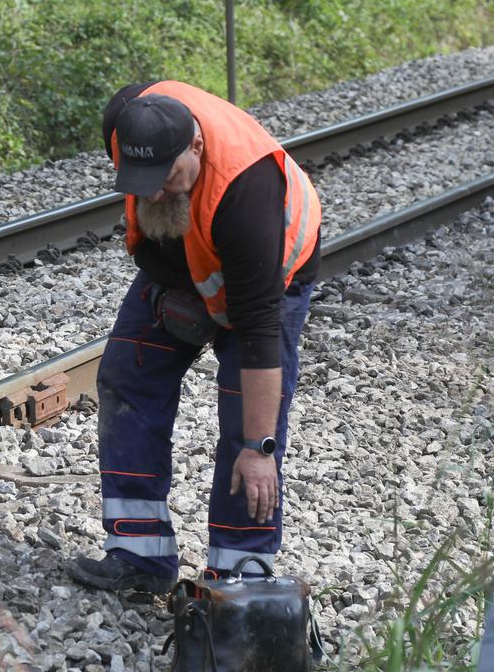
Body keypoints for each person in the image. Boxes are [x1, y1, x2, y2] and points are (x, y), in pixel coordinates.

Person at [68, 80, 322, 593]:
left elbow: (258, 337)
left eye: (168, 177)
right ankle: (140, 557)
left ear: (197, 148)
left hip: (265, 282)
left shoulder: (247, 194)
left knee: (244, 427)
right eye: (143, 180)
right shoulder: (127, 121)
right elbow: (158, 196)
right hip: (179, 265)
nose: (156, 191)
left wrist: (260, 448)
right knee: (126, 375)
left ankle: (238, 575)